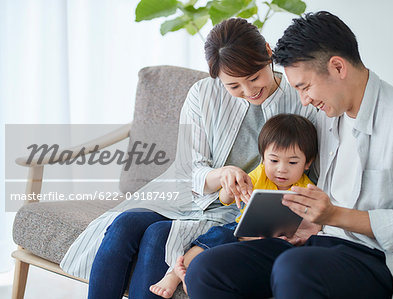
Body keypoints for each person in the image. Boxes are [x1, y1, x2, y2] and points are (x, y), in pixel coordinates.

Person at [185, 11, 393, 299]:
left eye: (304, 86)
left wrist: (334, 216)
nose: (304, 100)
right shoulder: (325, 118)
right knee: (208, 268)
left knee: (293, 267)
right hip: (322, 242)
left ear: (337, 67)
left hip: (386, 259)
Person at [59, 18, 317, 299]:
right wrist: (222, 175)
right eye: (233, 86)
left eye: (254, 78)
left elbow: (309, 172)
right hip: (189, 193)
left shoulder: (299, 99)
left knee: (160, 234)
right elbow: (188, 166)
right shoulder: (203, 94)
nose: (249, 91)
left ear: (268, 52)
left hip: (236, 212)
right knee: (124, 223)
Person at [150, 113, 319, 298]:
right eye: (274, 160)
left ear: (307, 163)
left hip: (275, 240)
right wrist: (230, 191)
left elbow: (311, 224)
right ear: (263, 158)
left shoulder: (305, 189)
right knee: (216, 236)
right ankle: (175, 274)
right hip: (242, 228)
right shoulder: (259, 175)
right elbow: (226, 199)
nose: (281, 169)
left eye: (292, 162)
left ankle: (195, 278)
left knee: (285, 249)